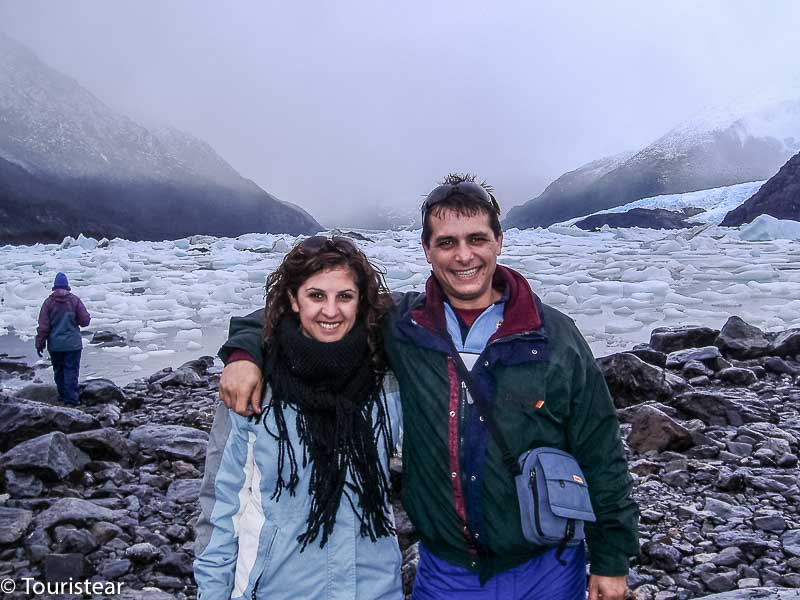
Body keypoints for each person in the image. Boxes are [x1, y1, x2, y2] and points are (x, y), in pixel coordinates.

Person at [216, 174, 639, 600]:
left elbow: (600, 450)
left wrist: (611, 559)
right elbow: (310, 313)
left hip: (547, 566)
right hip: (446, 572)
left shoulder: (553, 336)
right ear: (427, 249)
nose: (464, 256)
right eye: (447, 242)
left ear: (498, 241)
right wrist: (243, 353)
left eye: (476, 239)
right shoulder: (405, 326)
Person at [194, 237, 403, 600]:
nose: (331, 311)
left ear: (361, 301)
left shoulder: (387, 381)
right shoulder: (255, 384)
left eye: (345, 297)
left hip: (373, 587)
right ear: (294, 299)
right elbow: (221, 506)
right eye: (316, 296)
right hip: (276, 588)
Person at [35, 272, 91, 406]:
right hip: (73, 345)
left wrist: (39, 344)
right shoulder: (74, 300)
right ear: (67, 286)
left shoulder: (48, 303)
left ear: (55, 286)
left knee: (58, 371)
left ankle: (62, 396)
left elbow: (43, 327)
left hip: (56, 345)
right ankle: (71, 399)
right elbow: (85, 321)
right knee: (71, 370)